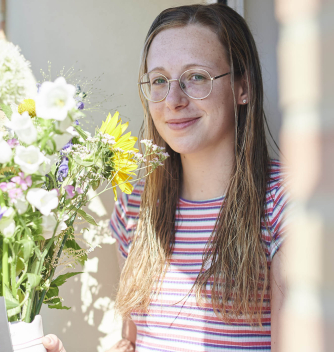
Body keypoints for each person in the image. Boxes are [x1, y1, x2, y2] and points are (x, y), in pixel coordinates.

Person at [43, 3, 289, 351]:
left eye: (196, 77)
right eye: (159, 80)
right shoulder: (136, 206)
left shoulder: (284, 203)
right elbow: (132, 343)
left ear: (242, 87)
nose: (173, 100)